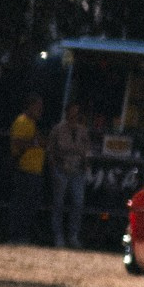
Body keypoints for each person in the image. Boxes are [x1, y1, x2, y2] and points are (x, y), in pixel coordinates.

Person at [48, 102, 95, 249]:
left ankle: (73, 235)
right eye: (72, 112)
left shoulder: (83, 131)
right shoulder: (58, 130)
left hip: (78, 172)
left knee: (78, 203)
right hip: (61, 170)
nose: (74, 115)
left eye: (76, 112)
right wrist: (54, 168)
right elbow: (50, 150)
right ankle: (58, 236)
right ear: (67, 112)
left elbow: (87, 150)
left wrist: (87, 166)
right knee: (58, 203)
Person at [6, 96, 46, 244]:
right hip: (24, 170)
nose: (40, 110)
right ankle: (15, 236)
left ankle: (23, 235)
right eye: (38, 106)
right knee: (21, 205)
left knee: (30, 206)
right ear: (29, 106)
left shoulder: (33, 123)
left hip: (35, 171)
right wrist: (36, 142)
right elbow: (17, 142)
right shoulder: (22, 121)